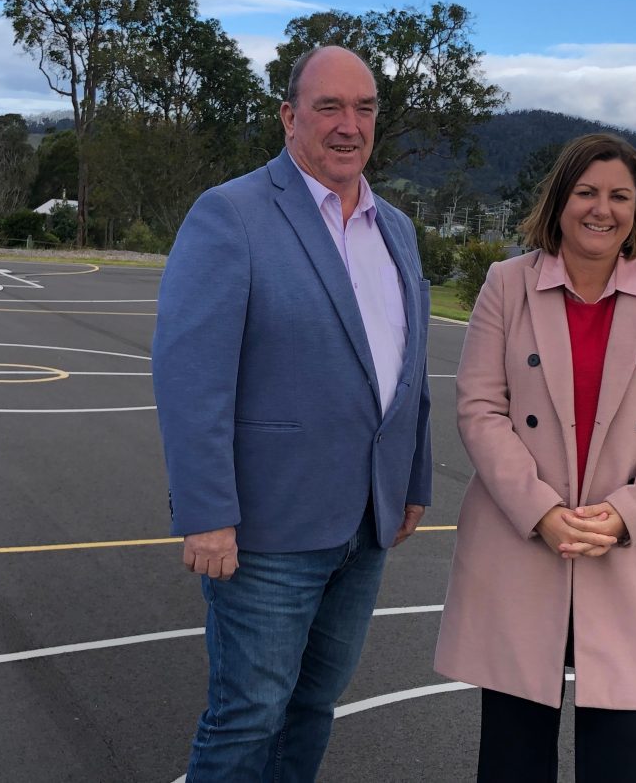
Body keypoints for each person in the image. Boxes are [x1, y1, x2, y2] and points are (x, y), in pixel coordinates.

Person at [152, 45, 432, 782]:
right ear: (288, 116)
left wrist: (412, 481)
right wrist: (206, 512)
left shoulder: (396, 230)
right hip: (266, 530)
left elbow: (410, 371)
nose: (349, 125)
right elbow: (191, 375)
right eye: (329, 107)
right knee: (247, 716)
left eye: (364, 108)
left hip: (365, 526)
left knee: (313, 707)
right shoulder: (232, 214)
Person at [434, 132, 636, 782]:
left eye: (620, 195)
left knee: (633, 753)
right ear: (560, 200)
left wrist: (623, 514)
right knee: (513, 752)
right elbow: (480, 408)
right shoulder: (507, 284)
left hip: (627, 547)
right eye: (587, 192)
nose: (602, 208)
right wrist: (542, 512)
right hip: (523, 542)